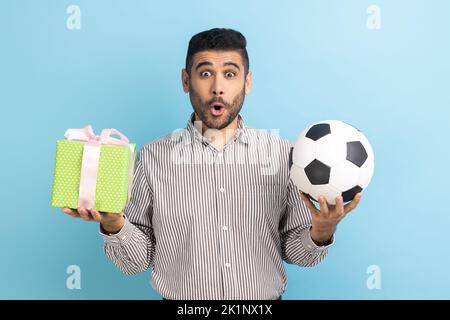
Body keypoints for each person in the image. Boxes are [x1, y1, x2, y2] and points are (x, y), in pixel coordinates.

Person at [62, 28, 362, 300]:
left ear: (247, 82)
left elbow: (298, 254)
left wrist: (321, 231)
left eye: (230, 74)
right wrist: (114, 223)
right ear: (185, 80)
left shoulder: (282, 155)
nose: (218, 87)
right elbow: (137, 261)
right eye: (205, 73)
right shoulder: (153, 158)